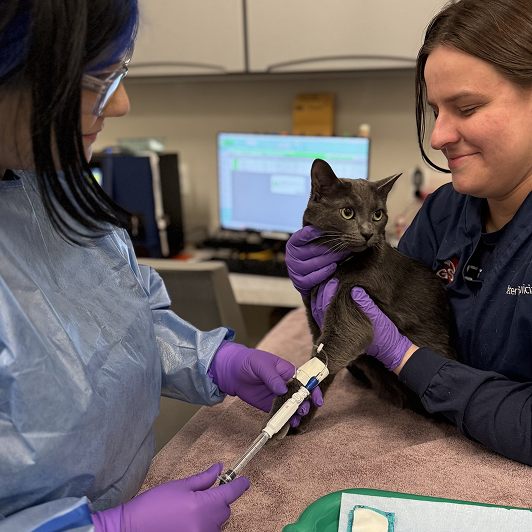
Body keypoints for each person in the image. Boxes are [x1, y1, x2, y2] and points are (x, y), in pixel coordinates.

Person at [0, 2, 322, 531]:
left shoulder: (48, 179)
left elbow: (117, 317)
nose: (121, 103)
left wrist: (213, 362)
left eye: (118, 71)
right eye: (99, 80)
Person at [285, 0, 532, 467]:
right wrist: (323, 298)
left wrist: (410, 360)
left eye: (467, 107)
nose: (438, 136)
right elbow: (369, 363)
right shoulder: (445, 211)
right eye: (436, 109)